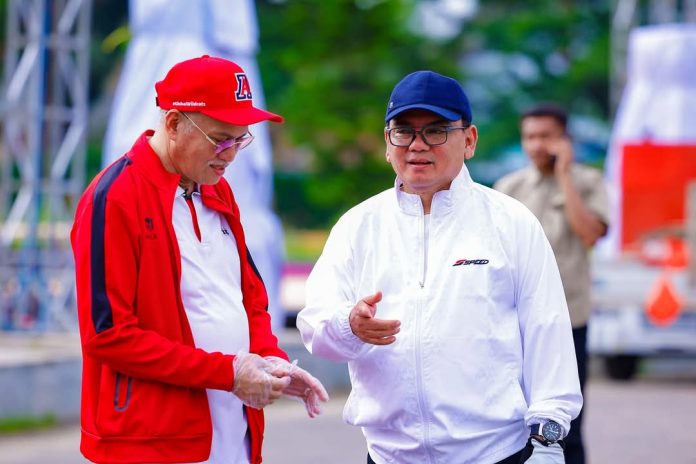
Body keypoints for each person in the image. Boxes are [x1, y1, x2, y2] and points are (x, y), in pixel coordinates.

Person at [297, 70, 582, 464]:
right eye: (403, 131)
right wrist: (349, 325)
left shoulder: (510, 222)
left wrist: (548, 441)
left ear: (469, 140)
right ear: (387, 143)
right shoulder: (358, 226)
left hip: (493, 453)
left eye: (435, 131)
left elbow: (546, 331)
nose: (417, 145)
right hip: (390, 456)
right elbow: (315, 328)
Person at [71, 55, 328, 464]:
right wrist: (228, 373)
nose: (230, 154)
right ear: (173, 123)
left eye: (240, 140)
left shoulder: (216, 189)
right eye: (220, 139)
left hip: (232, 431)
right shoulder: (116, 197)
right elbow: (108, 335)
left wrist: (271, 360)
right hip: (151, 443)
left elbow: (250, 299)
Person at [494, 104, 610, 464]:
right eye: (530, 136)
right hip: (515, 325)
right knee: (512, 420)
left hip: (569, 320)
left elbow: (590, 233)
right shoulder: (508, 188)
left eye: (546, 136)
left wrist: (564, 176)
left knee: (565, 424)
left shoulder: (589, 183)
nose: (536, 145)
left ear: (565, 139)